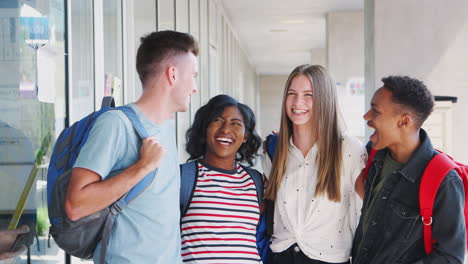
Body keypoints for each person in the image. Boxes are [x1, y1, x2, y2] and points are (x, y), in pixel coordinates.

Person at [65, 30, 199, 264]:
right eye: (193, 76)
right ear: (173, 74)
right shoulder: (116, 124)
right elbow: (75, 205)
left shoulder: (165, 129)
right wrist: (141, 167)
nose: (195, 87)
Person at [351, 76, 465, 263]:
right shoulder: (374, 153)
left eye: (376, 111)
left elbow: (450, 258)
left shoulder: (445, 180)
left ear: (404, 121)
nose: (366, 116)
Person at [262, 64, 367, 264]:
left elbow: (362, 214)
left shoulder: (350, 149)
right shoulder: (273, 150)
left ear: (325, 99)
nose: (297, 102)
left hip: (329, 258)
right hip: (280, 256)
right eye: (292, 93)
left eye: (308, 94)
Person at [180, 94, 263, 263]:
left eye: (236, 124)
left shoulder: (256, 181)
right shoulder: (183, 177)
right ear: (205, 128)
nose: (226, 130)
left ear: (245, 135)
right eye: (217, 121)